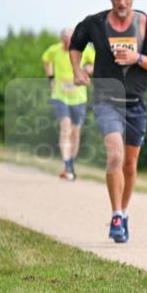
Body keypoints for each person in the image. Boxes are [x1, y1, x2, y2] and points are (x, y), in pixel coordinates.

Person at [70, 0, 147, 243]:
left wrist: (136, 57)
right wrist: (77, 70)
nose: (122, 2)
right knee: (114, 153)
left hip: (136, 103)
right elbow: (75, 45)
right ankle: (115, 215)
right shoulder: (96, 24)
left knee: (130, 163)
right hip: (106, 100)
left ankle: (124, 212)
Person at [42, 29, 95, 180]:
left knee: (75, 132)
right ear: (61, 39)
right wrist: (51, 78)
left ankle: (71, 164)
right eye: (65, 41)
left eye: (69, 41)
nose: (67, 45)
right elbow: (46, 60)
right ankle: (66, 165)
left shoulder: (85, 50)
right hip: (60, 96)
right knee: (65, 128)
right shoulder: (54, 50)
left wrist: (87, 69)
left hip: (79, 98)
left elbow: (97, 63)